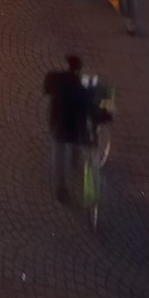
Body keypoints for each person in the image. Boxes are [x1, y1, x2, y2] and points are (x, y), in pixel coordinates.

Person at [43, 55, 109, 204]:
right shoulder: (84, 88)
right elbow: (93, 108)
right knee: (78, 145)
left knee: (59, 155)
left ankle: (61, 189)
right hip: (76, 129)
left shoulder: (55, 78)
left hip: (58, 124)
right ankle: (76, 160)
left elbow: (46, 88)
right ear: (79, 70)